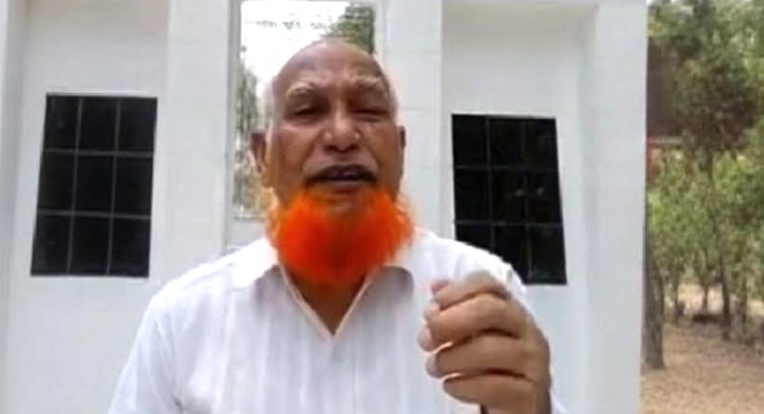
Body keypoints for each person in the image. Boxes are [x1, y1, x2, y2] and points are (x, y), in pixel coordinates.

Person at [109, 39, 565, 414]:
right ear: (263, 156)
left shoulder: (485, 300)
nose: (343, 135)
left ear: (400, 150)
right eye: (308, 111)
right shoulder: (182, 322)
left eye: (368, 110)